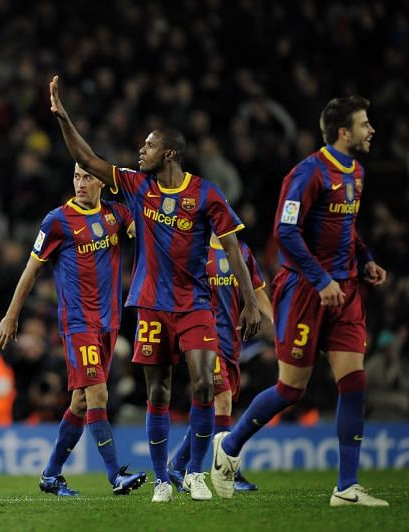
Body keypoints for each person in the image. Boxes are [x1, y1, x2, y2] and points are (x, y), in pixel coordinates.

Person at [49, 75, 261, 503]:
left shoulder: (205, 194)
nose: (139, 151)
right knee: (159, 392)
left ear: (168, 153)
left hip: (194, 304)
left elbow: (235, 249)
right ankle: (164, 477)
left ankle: (195, 473)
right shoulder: (135, 185)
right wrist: (63, 118)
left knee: (203, 385)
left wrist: (251, 302)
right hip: (150, 305)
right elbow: (88, 159)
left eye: (146, 146)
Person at [211, 96, 389, 507]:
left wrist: (365, 259)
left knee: (354, 382)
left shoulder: (357, 172)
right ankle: (230, 446)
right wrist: (320, 277)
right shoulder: (307, 173)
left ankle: (346, 488)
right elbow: (286, 232)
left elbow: (345, 228)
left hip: (343, 291)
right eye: (365, 124)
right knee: (292, 389)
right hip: (304, 290)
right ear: (344, 132)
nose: (371, 130)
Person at [0, 163, 146, 497]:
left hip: (109, 323)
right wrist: (11, 315)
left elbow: (148, 229)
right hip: (78, 324)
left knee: (80, 403)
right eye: (76, 175)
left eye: (88, 177)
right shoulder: (57, 220)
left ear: (102, 182)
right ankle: (114, 475)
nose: (80, 182)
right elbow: (32, 269)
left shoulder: (117, 215)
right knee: (98, 395)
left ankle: (50, 475)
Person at [167, 234, 273, 492]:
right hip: (205, 338)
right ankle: (228, 472)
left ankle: (178, 464)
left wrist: (277, 326)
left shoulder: (242, 252)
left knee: (213, 408)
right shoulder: (196, 250)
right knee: (222, 399)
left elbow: (257, 292)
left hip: (232, 341)